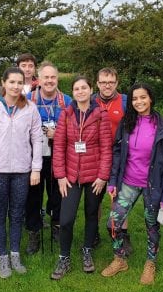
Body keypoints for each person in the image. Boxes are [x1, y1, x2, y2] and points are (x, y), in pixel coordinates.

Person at [101, 83, 163, 285]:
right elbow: (118, 154)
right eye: (134, 99)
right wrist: (113, 181)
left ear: (150, 98)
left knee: (151, 226)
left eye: (143, 97)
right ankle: (120, 259)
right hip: (128, 182)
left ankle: (150, 263)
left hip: (153, 186)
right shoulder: (127, 123)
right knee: (113, 223)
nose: (139, 102)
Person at [0, 67, 42, 278]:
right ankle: (2, 257)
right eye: (11, 82)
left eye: (19, 82)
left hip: (22, 172)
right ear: (3, 83)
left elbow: (36, 139)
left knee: (16, 215)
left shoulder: (30, 108)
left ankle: (15, 254)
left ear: (25, 84)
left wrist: (36, 168)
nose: (15, 86)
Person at [51, 75, 113, 280]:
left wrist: (103, 176)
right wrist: (60, 175)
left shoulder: (100, 114)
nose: (80, 92)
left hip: (94, 176)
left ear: (90, 90)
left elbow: (106, 147)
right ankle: (64, 257)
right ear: (73, 93)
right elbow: (58, 146)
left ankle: (87, 250)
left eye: (84, 88)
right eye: (76, 89)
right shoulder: (66, 114)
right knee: (66, 219)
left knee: (92, 215)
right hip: (70, 176)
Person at [25, 61, 72, 254]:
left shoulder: (67, 101)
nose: (50, 81)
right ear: (39, 79)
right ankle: (34, 232)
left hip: (58, 156)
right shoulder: (28, 99)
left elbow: (77, 128)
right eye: (46, 77)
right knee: (33, 196)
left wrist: (59, 133)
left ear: (57, 78)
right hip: (33, 156)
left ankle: (56, 226)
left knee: (57, 195)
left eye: (53, 77)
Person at [94, 67, 129, 250]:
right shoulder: (91, 101)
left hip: (120, 156)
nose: (107, 86)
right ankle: (94, 233)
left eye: (111, 82)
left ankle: (123, 235)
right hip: (96, 156)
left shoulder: (125, 101)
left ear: (116, 83)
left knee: (120, 198)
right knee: (96, 198)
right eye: (103, 82)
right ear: (97, 83)